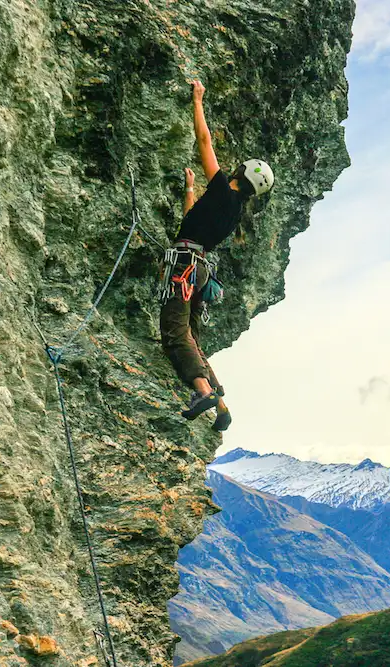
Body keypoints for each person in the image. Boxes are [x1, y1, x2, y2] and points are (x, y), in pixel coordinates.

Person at [160, 80, 275, 428]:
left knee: (176, 334)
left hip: (182, 264)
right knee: (192, 337)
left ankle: (201, 389)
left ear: (241, 174)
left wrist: (198, 101)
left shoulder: (224, 189)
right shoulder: (233, 211)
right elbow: (193, 221)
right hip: (198, 269)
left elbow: (204, 141)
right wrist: (191, 189)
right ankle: (221, 406)